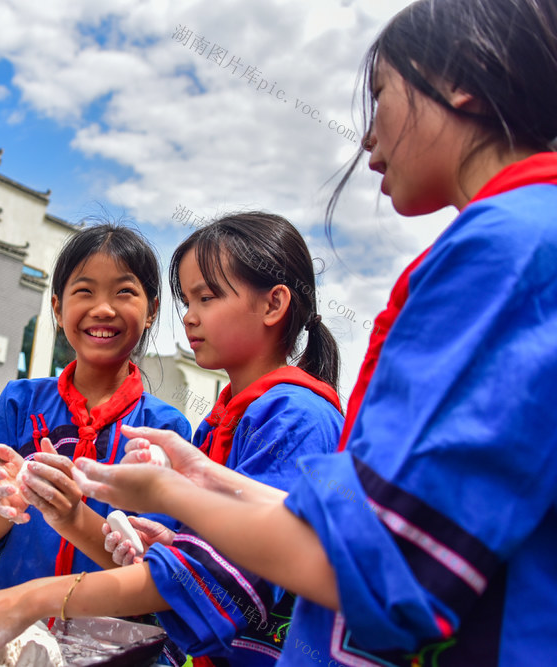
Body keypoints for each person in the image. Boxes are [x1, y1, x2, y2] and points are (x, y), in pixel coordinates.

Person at [69, 1, 557, 665]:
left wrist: (169, 491)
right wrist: (206, 480)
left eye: (381, 94)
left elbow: (380, 556)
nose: (367, 139)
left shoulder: (511, 246)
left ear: (458, 77)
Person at [0, 215, 343, 667]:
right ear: (56, 305)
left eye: (206, 296)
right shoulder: (216, 425)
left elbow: (213, 576)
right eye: (189, 299)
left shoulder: (278, 420)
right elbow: (192, 558)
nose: (191, 316)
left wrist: (30, 598)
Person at [0, 224, 191, 594]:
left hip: (111, 635)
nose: (103, 309)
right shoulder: (19, 402)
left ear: (152, 310)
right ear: (58, 309)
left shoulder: (165, 430)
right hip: (10, 619)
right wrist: (7, 499)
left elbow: (149, 569)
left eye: (124, 292)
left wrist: (71, 515)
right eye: (84, 291)